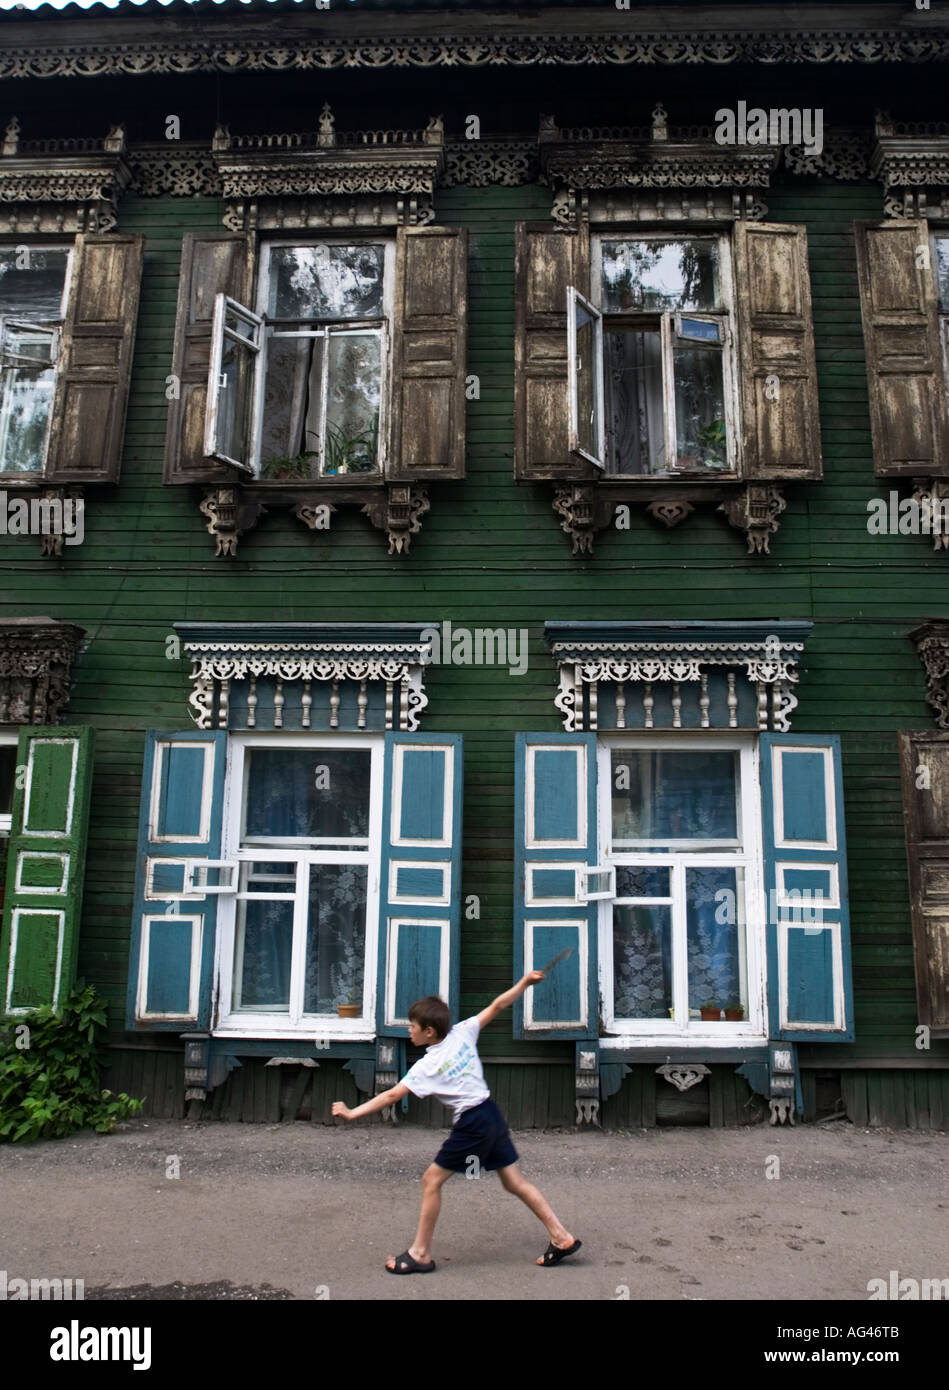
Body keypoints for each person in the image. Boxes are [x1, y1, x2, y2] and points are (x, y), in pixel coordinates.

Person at [331, 970, 582, 1274]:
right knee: (514, 1182)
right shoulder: (463, 1032)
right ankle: (562, 1237)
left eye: (412, 1026)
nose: (408, 1030)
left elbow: (391, 1096)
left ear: (429, 1032)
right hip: (491, 1113)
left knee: (431, 1181)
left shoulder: (428, 1065)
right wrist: (525, 983)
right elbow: (498, 1005)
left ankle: (420, 1254)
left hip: (474, 1123)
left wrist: (351, 1112)